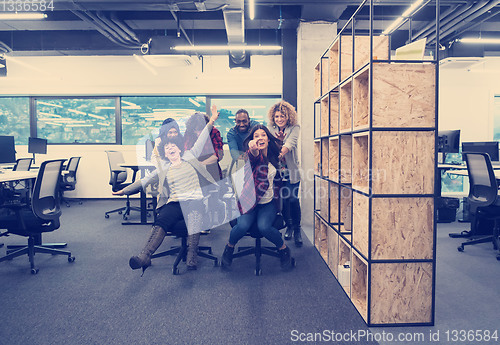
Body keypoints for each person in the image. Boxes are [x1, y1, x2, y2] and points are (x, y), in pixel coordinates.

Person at [113, 106, 219, 273]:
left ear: (180, 148)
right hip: (175, 202)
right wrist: (124, 191)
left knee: (194, 216)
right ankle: (144, 256)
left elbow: (203, 136)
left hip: (195, 200)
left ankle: (192, 255)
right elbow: (144, 180)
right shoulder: (164, 167)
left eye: (173, 147)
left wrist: (212, 120)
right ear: (164, 152)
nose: (170, 149)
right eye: (167, 149)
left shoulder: (190, 155)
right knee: (162, 219)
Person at [221, 124, 293, 270]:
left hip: (268, 204)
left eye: (263, 135)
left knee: (264, 227)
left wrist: (279, 142)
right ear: (252, 140)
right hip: (249, 202)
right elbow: (254, 156)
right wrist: (253, 149)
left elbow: (278, 151)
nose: (260, 138)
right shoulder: (251, 157)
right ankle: (229, 248)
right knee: (242, 226)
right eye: (256, 136)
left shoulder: (274, 157)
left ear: (268, 138)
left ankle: (284, 249)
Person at [267, 100, 303, 247]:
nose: (279, 119)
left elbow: (290, 144)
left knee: (293, 199)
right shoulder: (270, 128)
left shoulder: (294, 127)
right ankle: (289, 226)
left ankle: (297, 228)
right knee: (285, 201)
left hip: (290, 171)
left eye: (282, 116)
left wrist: (279, 153)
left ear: (288, 116)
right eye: (276, 117)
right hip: (276, 173)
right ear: (273, 118)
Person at [183, 112, 225, 232]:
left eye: (200, 130)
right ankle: (203, 222)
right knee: (198, 197)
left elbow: (219, 154)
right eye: (196, 130)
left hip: (211, 167)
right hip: (193, 168)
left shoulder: (214, 132)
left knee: (212, 199)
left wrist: (200, 165)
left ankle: (220, 205)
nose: (198, 133)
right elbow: (187, 151)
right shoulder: (188, 132)